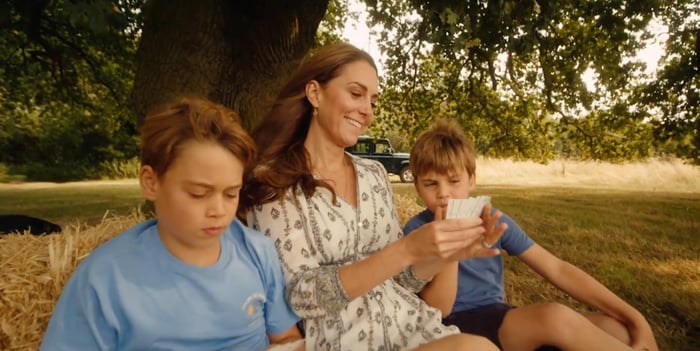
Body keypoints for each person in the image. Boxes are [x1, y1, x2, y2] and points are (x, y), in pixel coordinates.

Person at [239, 42, 505, 351]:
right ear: (315, 93)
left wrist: (444, 252)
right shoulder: (274, 181)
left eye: (373, 100)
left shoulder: (374, 175)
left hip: (411, 328)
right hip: (343, 341)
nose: (367, 110)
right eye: (356, 93)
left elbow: (400, 280)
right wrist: (405, 250)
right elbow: (301, 298)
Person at [41, 97, 304, 351]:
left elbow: (287, 339)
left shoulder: (257, 252)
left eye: (231, 193)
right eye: (198, 194)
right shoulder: (104, 280)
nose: (219, 211)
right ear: (151, 182)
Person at [403, 119, 659, 351]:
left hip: (500, 316)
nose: (444, 194)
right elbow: (439, 309)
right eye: (431, 184)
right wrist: (451, 249)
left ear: (471, 180)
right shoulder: (415, 231)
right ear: (417, 187)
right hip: (453, 328)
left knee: (615, 329)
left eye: (454, 181)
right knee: (555, 318)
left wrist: (635, 317)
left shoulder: (491, 220)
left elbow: (557, 269)